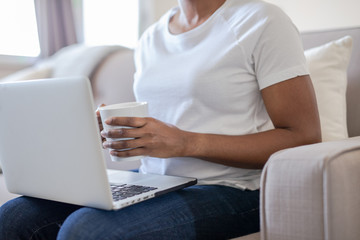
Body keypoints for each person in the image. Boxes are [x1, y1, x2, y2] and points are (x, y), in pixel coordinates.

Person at [0, 0, 321, 239]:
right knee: (13, 218)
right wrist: (119, 130)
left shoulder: (261, 20)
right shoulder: (152, 37)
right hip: (157, 180)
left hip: (237, 187)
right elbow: (167, 121)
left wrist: (185, 141)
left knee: (88, 231)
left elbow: (303, 136)